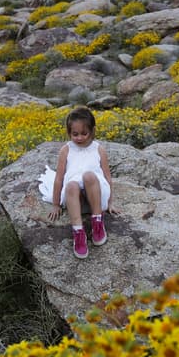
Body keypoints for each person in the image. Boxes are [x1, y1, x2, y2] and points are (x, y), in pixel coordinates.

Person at [46, 106, 115, 259]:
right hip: (75, 197)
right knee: (70, 184)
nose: (79, 138)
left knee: (89, 176)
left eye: (84, 133)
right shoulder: (66, 150)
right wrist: (56, 204)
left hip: (96, 192)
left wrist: (110, 202)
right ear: (69, 132)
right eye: (75, 134)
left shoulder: (99, 149)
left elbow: (107, 176)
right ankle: (78, 231)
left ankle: (97, 221)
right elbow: (59, 178)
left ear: (92, 131)